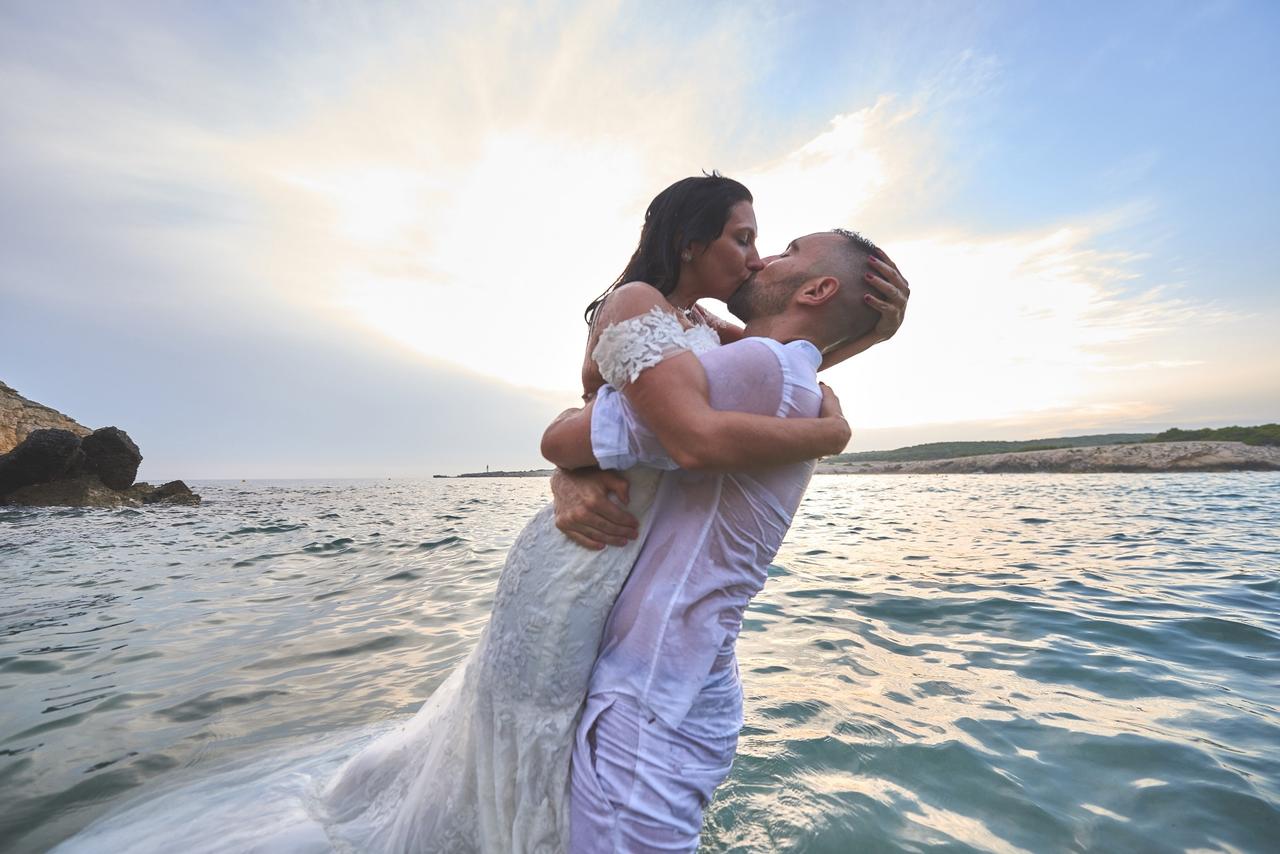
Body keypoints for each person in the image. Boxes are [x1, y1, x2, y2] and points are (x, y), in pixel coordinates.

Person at [540, 228, 891, 852]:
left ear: (816, 287)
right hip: (683, 678)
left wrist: (565, 468)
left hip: (653, 693)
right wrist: (867, 339)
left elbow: (565, 436)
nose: (762, 257)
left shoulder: (758, 369)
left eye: (786, 250)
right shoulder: (789, 375)